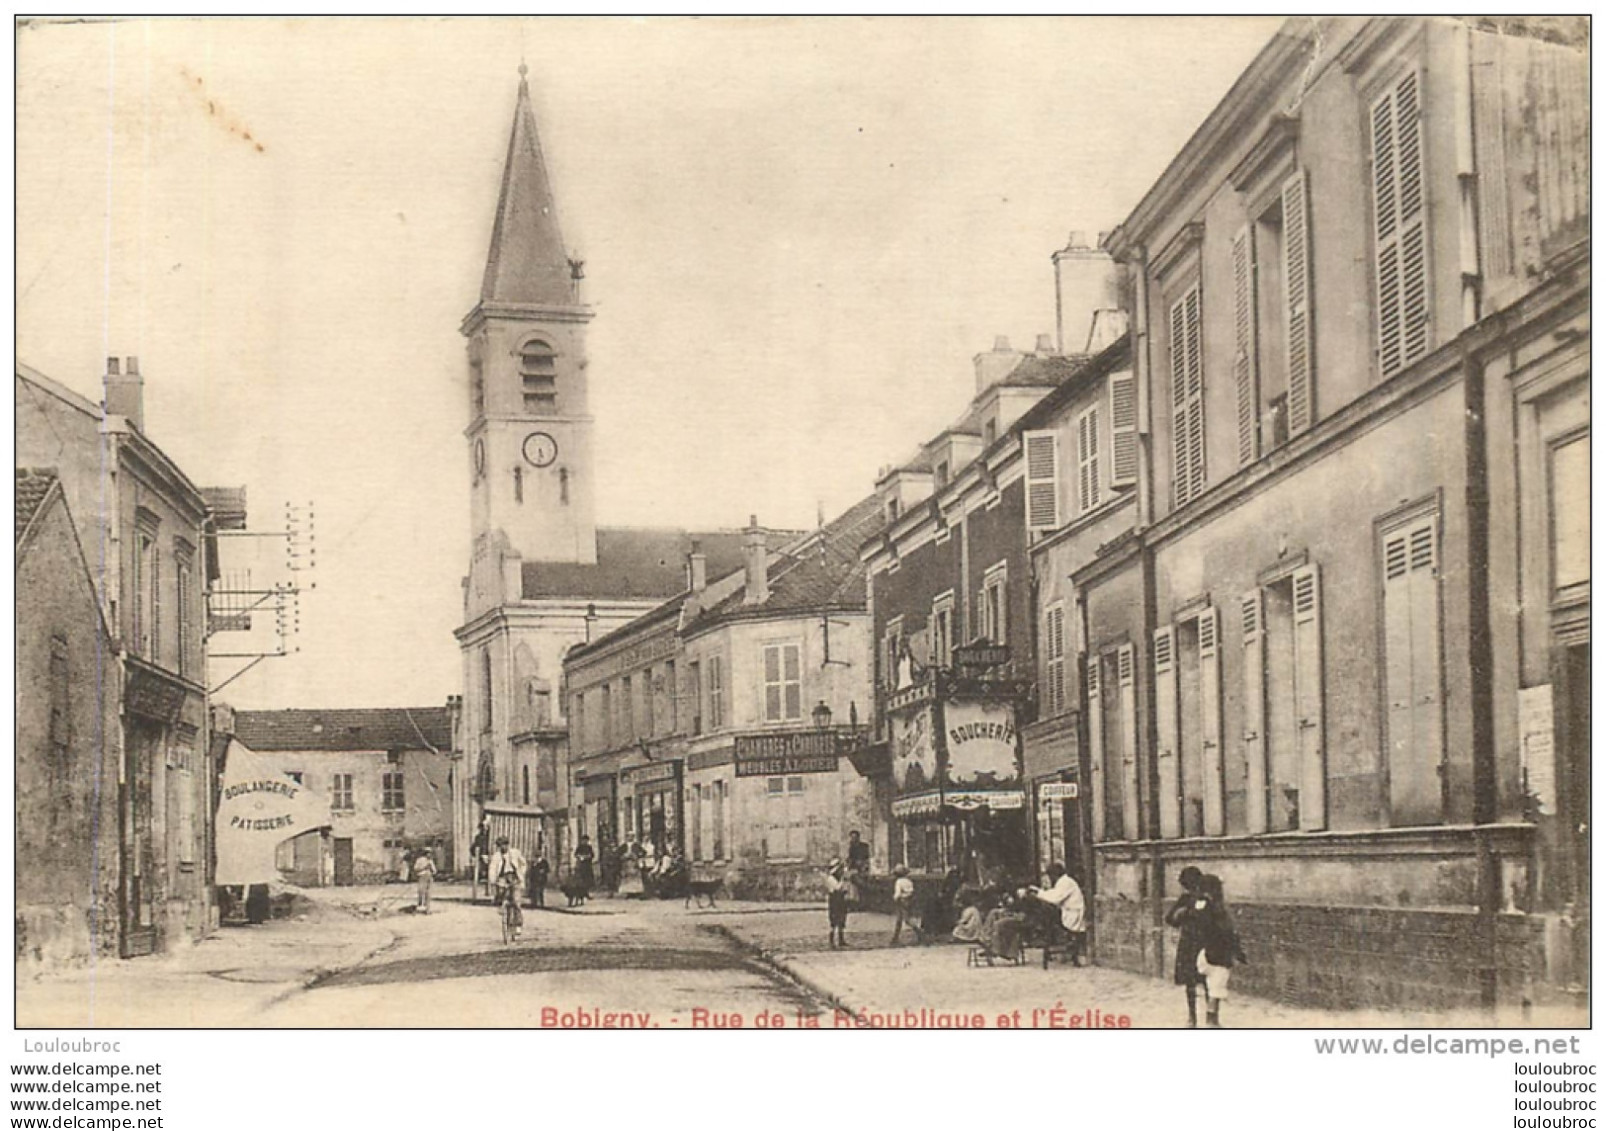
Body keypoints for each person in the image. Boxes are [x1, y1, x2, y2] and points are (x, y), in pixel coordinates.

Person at [1193, 874, 1247, 1028]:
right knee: (1216, 989)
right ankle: (1212, 1021)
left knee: (1211, 986)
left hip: (1204, 952)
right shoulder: (1217, 908)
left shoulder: (1199, 905)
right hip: (1218, 954)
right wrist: (1237, 952)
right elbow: (1227, 931)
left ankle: (1211, 1019)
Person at [1164, 866, 1208, 1027]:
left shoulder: (1205, 899)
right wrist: (1180, 914)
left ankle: (1196, 1017)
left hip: (1200, 944)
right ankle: (1195, 1017)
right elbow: (1170, 919)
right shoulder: (1185, 899)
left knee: (1201, 981)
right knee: (1196, 981)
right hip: (1192, 944)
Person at [1029, 862, 1087, 966]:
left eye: (1051, 875)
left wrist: (1038, 894)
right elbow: (1053, 893)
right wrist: (1038, 891)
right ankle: (1045, 935)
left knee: (1045, 914)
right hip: (1069, 911)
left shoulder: (1066, 882)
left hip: (1073, 914)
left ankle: (1045, 935)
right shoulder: (1063, 882)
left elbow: (1055, 898)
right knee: (1045, 912)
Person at [489, 837, 528, 939]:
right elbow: (492, 869)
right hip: (502, 878)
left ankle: (518, 925)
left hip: (514, 877)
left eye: (505, 845)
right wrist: (492, 880)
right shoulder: (496, 857)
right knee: (500, 893)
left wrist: (521, 873)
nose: (503, 847)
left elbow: (523, 864)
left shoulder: (515, 853)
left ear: (508, 845)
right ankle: (502, 906)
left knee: (516, 902)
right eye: (500, 846)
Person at [824, 860, 852, 949]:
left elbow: (844, 888)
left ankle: (841, 940)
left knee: (842, 919)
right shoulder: (831, 879)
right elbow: (837, 888)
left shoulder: (838, 878)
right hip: (834, 900)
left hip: (841, 899)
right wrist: (842, 880)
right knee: (834, 920)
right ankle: (832, 941)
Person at [890, 864, 919, 945]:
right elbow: (912, 891)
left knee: (904, 919)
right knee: (902, 919)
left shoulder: (898, 882)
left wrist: (895, 898)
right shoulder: (908, 881)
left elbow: (898, 893)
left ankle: (920, 933)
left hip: (901, 901)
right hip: (909, 900)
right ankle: (895, 938)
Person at [413, 847, 437, 914]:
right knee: (421, 892)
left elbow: (435, 871)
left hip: (429, 877)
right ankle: (420, 907)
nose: (429, 854)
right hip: (422, 876)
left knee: (428, 893)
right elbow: (415, 869)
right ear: (425, 853)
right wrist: (424, 867)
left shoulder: (430, 861)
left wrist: (432, 870)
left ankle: (427, 909)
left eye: (430, 853)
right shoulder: (420, 860)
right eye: (428, 853)